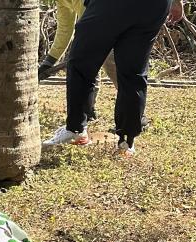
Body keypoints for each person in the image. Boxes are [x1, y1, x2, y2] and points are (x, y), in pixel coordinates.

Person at [43, 0, 183, 156]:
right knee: (133, 72)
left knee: (81, 63)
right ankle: (127, 142)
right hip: (155, 6)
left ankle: (76, 129)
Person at [37, 0, 118, 122]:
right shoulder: (61, 1)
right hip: (96, 24)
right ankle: (88, 110)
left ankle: (135, 114)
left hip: (117, 19)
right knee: (87, 64)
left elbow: (91, 26)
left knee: (111, 63)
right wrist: (49, 61)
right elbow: (65, 29)